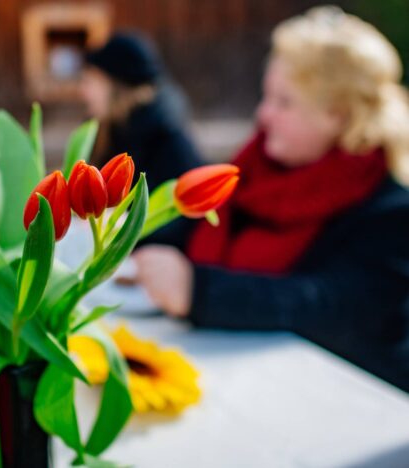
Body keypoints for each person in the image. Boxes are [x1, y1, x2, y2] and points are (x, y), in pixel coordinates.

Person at [133, 6, 409, 392]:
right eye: (266, 97)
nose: (263, 114)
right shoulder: (256, 169)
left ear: (338, 115)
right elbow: (190, 231)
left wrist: (198, 291)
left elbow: (329, 306)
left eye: (284, 102)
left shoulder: (392, 212)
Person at [80, 32, 202, 190]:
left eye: (91, 82)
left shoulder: (168, 144)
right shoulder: (110, 132)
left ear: (118, 86)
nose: (83, 91)